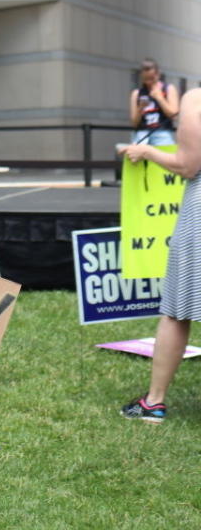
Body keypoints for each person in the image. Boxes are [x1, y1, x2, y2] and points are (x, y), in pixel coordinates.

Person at [118, 87, 201, 422]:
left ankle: (153, 402)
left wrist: (146, 152)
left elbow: (187, 165)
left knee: (177, 309)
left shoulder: (196, 98)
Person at [130, 58, 179, 145]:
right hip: (142, 133)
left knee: (165, 155)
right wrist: (140, 108)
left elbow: (174, 115)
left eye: (151, 78)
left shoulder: (168, 89)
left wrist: (160, 98)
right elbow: (134, 123)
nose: (149, 82)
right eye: (146, 78)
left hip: (162, 132)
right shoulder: (136, 93)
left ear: (157, 74)